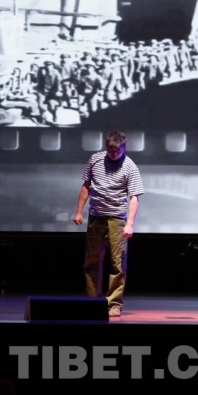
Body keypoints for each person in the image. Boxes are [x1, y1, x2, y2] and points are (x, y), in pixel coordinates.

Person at [73, 130, 144, 317]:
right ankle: (92, 301)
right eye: (110, 150)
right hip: (96, 217)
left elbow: (134, 197)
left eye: (117, 151)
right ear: (106, 147)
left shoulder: (130, 167)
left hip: (117, 219)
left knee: (117, 263)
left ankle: (114, 304)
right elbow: (86, 186)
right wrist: (79, 211)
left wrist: (129, 224)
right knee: (91, 260)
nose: (114, 153)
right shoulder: (95, 160)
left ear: (124, 148)